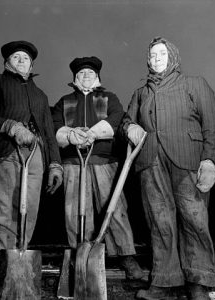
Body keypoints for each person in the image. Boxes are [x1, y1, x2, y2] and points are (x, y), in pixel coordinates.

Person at [121, 36, 215, 300]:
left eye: (162, 55)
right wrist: (129, 126)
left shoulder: (194, 84)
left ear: (173, 58)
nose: (157, 59)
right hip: (151, 163)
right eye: (153, 55)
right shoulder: (141, 92)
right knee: (159, 222)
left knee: (194, 220)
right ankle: (165, 283)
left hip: (187, 161)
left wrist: (210, 160)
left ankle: (199, 282)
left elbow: (213, 125)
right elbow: (126, 120)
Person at [51, 56, 144, 280]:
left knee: (115, 209)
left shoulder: (108, 98)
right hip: (74, 162)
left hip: (103, 160)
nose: (85, 76)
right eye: (81, 73)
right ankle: (79, 256)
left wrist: (94, 132)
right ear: (74, 78)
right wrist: (70, 135)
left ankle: (126, 257)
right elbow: (53, 125)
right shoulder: (64, 101)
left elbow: (116, 117)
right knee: (75, 211)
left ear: (97, 77)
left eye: (90, 73)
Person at [0, 40, 63, 255]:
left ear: (31, 66)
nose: (21, 60)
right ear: (7, 62)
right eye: (16, 57)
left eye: (26, 58)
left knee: (28, 211)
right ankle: (3, 262)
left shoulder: (40, 95)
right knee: (5, 212)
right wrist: (9, 125)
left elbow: (49, 133)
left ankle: (20, 260)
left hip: (35, 156)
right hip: (6, 152)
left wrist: (55, 164)